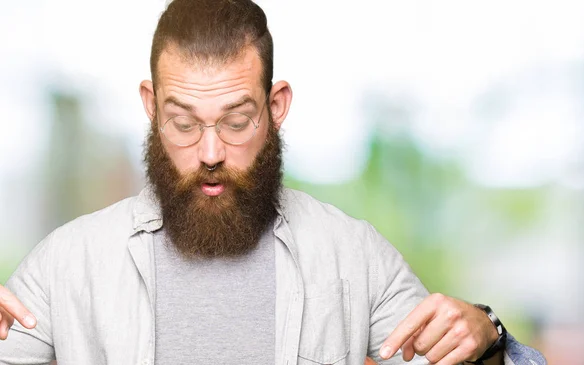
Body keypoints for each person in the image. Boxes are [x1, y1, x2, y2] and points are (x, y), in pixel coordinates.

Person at [0, 1, 546, 364]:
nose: (210, 153)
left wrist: (490, 341)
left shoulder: (351, 257)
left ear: (276, 105)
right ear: (150, 106)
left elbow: (455, 353)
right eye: (184, 123)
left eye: (236, 121)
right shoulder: (66, 266)